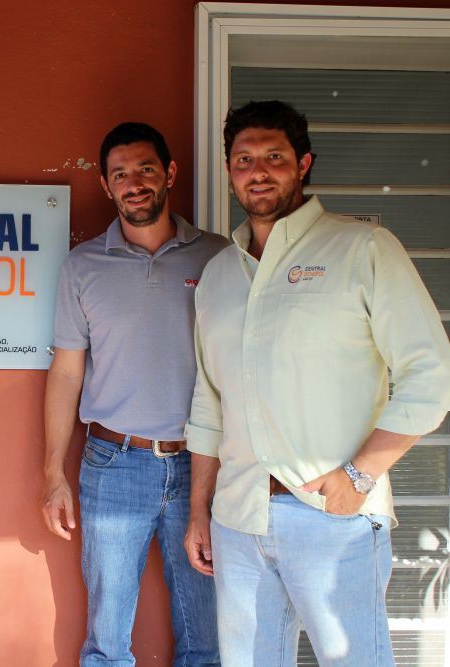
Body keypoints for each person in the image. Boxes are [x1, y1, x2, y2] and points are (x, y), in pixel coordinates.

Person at [184, 100, 450, 665]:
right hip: (237, 521)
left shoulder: (363, 249)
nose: (258, 171)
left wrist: (360, 475)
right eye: (243, 159)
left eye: (274, 157)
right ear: (230, 170)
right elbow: (209, 405)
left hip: (334, 519)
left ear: (303, 164)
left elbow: (431, 376)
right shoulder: (216, 277)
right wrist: (199, 511)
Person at [41, 122, 226, 665]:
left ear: (169, 173)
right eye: (120, 174)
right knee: (106, 640)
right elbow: (66, 373)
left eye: (145, 169)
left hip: (203, 466)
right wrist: (53, 472)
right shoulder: (82, 267)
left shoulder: (218, 259)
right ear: (105, 185)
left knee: (205, 637)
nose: (134, 183)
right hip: (113, 464)